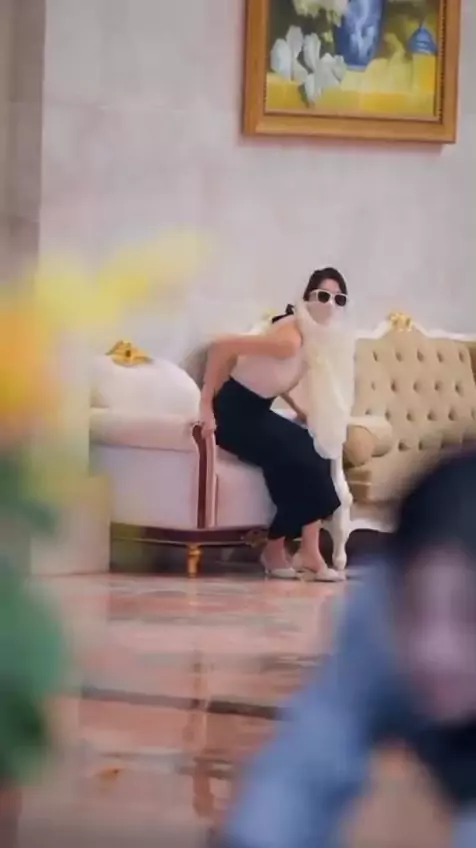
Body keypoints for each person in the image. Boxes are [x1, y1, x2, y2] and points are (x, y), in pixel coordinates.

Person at [217, 447, 476, 848]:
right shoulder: (378, 619)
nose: (434, 651)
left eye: (469, 615)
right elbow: (302, 771)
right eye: (416, 608)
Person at [199, 268, 352, 582]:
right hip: (232, 414)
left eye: (339, 299)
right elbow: (220, 347)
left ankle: (309, 552)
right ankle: (274, 547)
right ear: (307, 298)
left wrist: (300, 410)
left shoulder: (313, 340)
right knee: (297, 454)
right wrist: (205, 406)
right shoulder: (290, 337)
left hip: (257, 411)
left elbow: (274, 376)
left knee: (317, 450)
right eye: (323, 296)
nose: (329, 304)